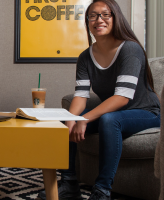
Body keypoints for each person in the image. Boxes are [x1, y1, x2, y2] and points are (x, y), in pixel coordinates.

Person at [39, 0, 160, 200]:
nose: (99, 20)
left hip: (146, 112)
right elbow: (81, 96)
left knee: (109, 120)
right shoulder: (85, 57)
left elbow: (122, 98)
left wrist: (84, 119)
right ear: (87, 21)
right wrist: (71, 118)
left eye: (106, 14)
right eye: (93, 15)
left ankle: (102, 191)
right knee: (62, 124)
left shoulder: (130, 49)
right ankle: (69, 184)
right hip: (115, 114)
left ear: (116, 18)